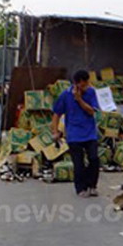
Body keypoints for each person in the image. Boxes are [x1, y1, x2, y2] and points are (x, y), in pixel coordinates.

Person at [51, 70, 100, 198]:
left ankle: (92, 185)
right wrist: (55, 131)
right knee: (79, 163)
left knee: (94, 159)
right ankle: (81, 188)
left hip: (90, 133)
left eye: (87, 84)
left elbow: (91, 111)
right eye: (83, 85)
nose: (86, 87)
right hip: (73, 134)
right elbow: (56, 114)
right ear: (76, 84)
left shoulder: (91, 92)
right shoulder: (65, 95)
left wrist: (79, 100)